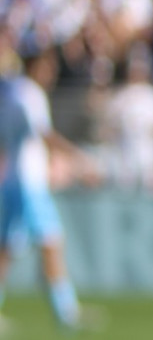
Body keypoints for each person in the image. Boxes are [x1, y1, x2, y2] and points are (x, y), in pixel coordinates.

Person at [0, 50, 92, 333]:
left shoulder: (10, 94)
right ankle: (66, 311)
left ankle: (65, 310)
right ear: (35, 66)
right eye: (47, 66)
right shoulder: (30, 94)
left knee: (7, 248)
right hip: (29, 182)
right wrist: (78, 158)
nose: (51, 72)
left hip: (13, 179)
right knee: (51, 242)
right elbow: (42, 132)